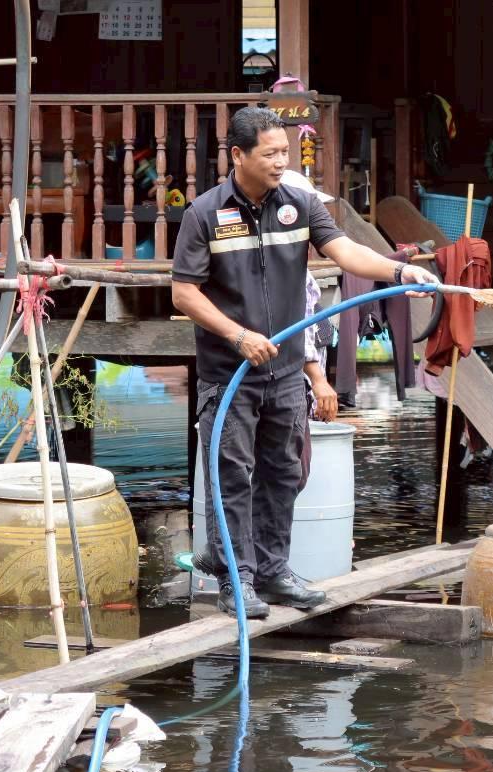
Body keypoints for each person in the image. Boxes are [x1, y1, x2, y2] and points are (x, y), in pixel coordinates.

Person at [172, 107, 438, 619]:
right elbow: (184, 294)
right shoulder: (204, 214)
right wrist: (238, 334)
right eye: (269, 154)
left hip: (286, 372)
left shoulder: (298, 204)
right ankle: (236, 581)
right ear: (238, 155)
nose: (279, 163)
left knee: (284, 472)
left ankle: (273, 573)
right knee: (231, 475)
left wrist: (401, 270)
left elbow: (347, 253)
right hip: (230, 374)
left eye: (284, 153)